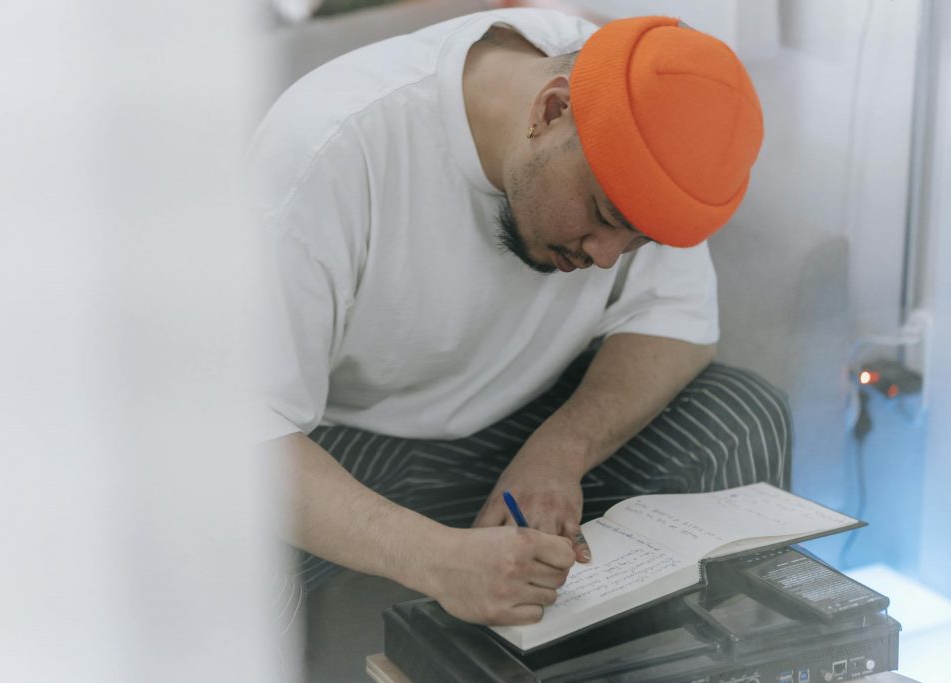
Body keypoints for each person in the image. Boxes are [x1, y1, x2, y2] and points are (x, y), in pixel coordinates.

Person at [251, 5, 789, 653]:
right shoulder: (331, 145)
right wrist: (437, 559)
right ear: (551, 111)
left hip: (525, 423)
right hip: (348, 445)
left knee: (744, 416)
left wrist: (557, 453)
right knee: (223, 540)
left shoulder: (644, 109)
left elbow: (678, 324)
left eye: (637, 240)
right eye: (600, 214)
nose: (604, 257)